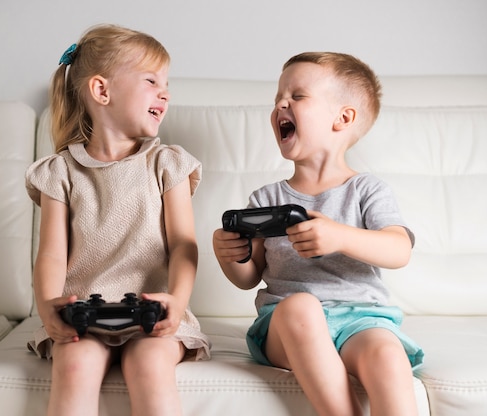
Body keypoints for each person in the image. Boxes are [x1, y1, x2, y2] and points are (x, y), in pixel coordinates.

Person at [212, 52, 424, 416]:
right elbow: (248, 278)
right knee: (301, 306)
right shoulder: (267, 198)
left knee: (387, 356)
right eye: (278, 97)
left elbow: (398, 249)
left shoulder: (366, 190)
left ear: (342, 118)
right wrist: (232, 256)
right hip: (285, 324)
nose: (281, 103)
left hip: (361, 318)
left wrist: (340, 237)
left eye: (297, 96)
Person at [26, 24, 210, 416]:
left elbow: (183, 245)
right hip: (86, 316)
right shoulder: (59, 172)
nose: (166, 92)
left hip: (153, 314)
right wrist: (46, 309)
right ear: (102, 91)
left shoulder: (168, 163)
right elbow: (52, 256)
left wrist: (177, 301)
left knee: (148, 365)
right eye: (151, 80)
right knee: (74, 367)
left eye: (166, 83)